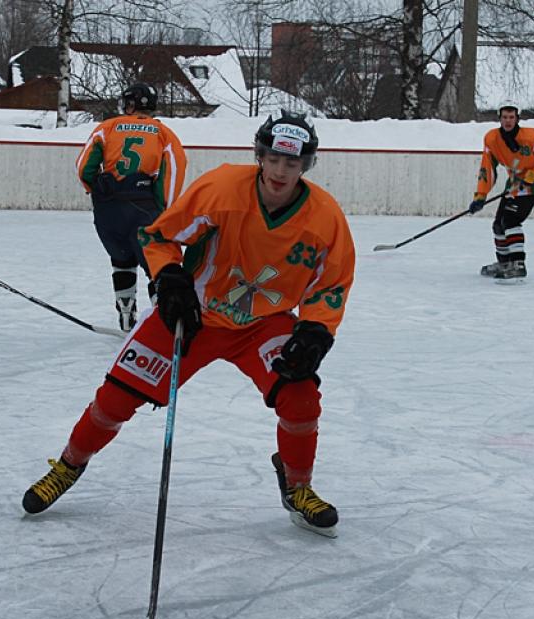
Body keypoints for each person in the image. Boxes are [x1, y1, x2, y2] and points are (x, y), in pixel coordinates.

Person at [23, 110, 356, 537]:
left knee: (300, 394)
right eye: (272, 159)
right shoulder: (222, 189)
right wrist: (169, 277)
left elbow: (332, 283)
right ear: (259, 156)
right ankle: (69, 465)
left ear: (306, 165)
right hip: (194, 315)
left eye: (291, 163)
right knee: (116, 397)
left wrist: (316, 330)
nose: (279, 171)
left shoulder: (324, 218)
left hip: (263, 323)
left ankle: (298, 487)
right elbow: (159, 236)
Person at [74, 82, 187, 331]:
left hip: (108, 211)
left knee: (121, 260)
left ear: (130, 103)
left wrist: (97, 190)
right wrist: (162, 209)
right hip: (144, 208)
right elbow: (173, 172)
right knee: (157, 265)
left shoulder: (107, 127)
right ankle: (161, 324)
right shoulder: (164, 133)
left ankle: (126, 317)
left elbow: (83, 168)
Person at [468, 103, 534, 281]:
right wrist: (480, 195)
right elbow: (487, 168)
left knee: (510, 221)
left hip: (531, 187)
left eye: (511, 117)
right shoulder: (492, 139)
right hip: (513, 187)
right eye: (504, 117)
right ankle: (504, 263)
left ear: (517, 119)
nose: (508, 121)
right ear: (499, 119)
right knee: (498, 225)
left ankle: (518, 264)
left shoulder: (531, 136)